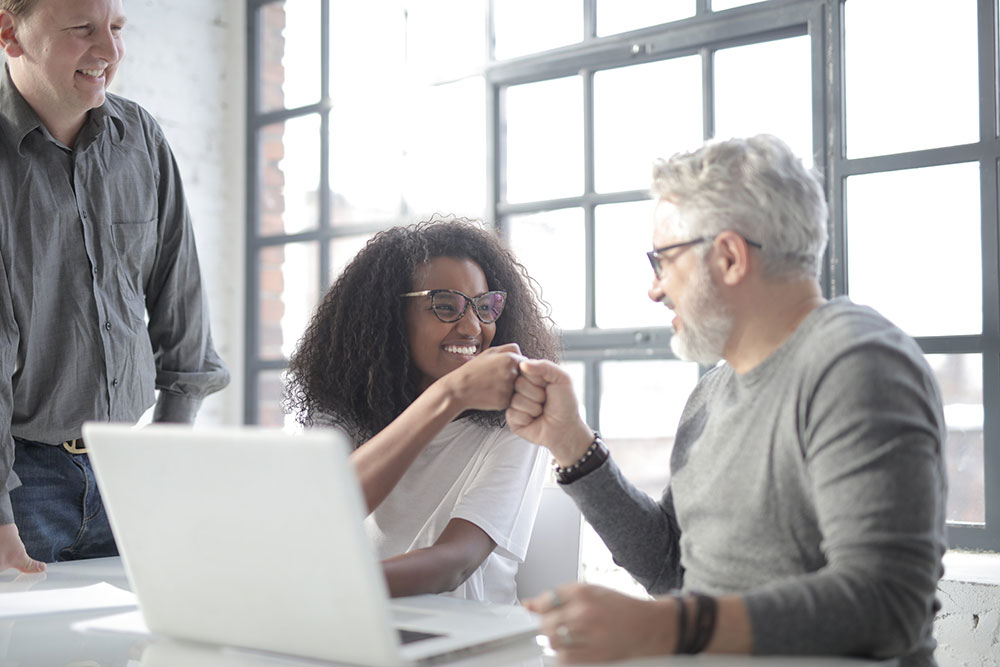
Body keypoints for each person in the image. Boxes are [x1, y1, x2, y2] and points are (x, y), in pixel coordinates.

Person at [506, 135, 947, 665]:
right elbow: (672, 569)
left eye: (662, 262)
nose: (654, 289)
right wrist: (568, 440)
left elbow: (887, 603)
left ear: (731, 257)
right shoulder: (710, 393)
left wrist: (664, 627)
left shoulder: (856, 364)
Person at [0, 0, 229, 572]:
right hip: (19, 486)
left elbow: (182, 303)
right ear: (10, 34)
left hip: (131, 473)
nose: (108, 51)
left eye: (117, 29)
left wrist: (168, 451)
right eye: (82, 30)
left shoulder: (141, 140)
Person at [284, 219, 559, 604]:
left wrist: (332, 587)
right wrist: (449, 396)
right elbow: (324, 511)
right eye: (446, 306)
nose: (473, 327)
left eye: (485, 307)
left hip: (468, 640)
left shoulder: (518, 419)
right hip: (359, 623)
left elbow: (454, 564)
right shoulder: (342, 408)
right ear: (388, 315)